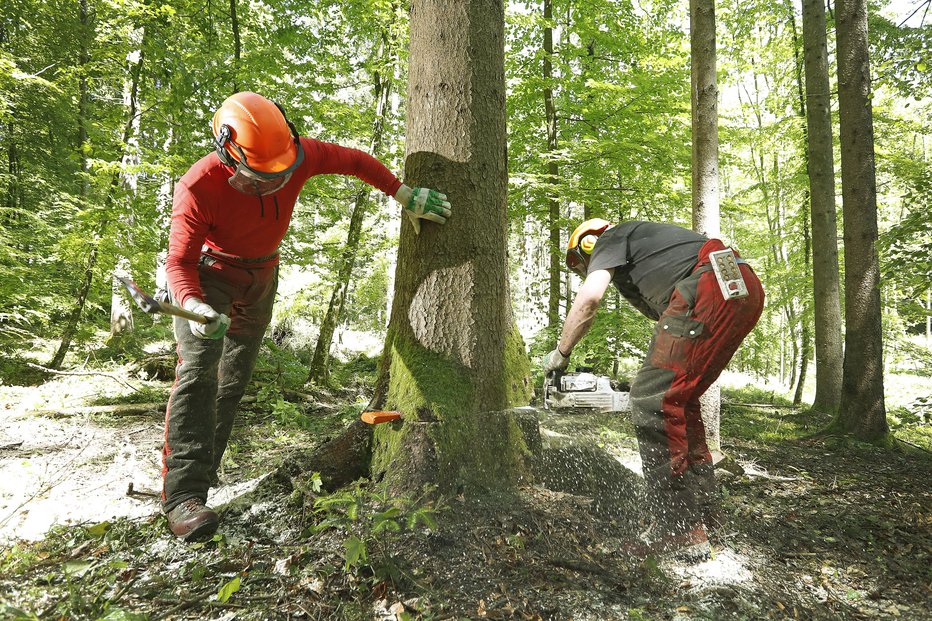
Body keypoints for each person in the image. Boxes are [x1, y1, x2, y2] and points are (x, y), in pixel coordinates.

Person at [162, 91, 451, 541]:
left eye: (280, 173)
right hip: (209, 277)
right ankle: (183, 497)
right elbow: (179, 262)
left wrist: (404, 193)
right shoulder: (199, 185)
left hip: (262, 275)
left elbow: (356, 161)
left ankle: (208, 470)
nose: (274, 183)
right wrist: (195, 305)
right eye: (260, 177)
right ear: (228, 151)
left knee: (234, 378)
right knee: (200, 373)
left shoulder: (299, 154)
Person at [542, 219, 764, 559]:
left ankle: (678, 528)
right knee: (679, 399)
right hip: (740, 284)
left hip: (709, 283)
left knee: (651, 401)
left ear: (587, 244)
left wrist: (562, 352)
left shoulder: (609, 239)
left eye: (579, 263)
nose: (584, 269)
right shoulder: (650, 247)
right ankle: (704, 515)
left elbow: (588, 301)